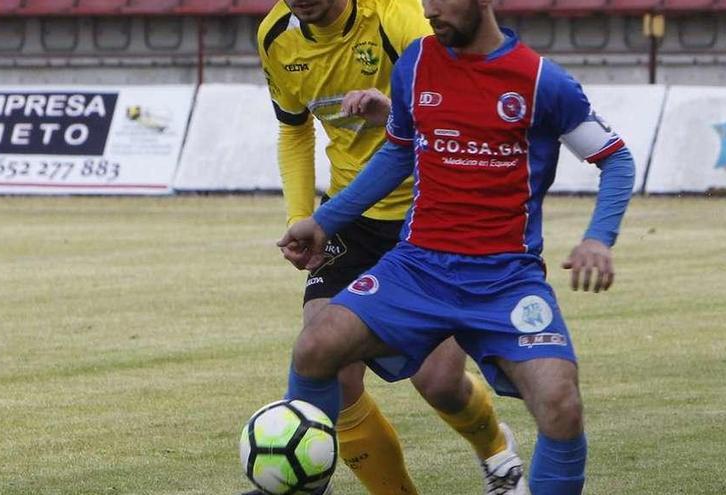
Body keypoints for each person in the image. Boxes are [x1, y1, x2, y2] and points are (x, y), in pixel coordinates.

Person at [276, 0, 637, 492]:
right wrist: (322, 220)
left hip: (506, 279)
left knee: (561, 405)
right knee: (316, 346)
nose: (430, 11)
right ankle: (302, 483)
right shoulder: (416, 65)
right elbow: (398, 153)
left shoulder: (542, 83)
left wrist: (599, 238)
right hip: (418, 268)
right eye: (427, 0)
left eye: (443, 0)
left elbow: (616, 160)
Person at [252, 0, 524, 494]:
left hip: (431, 213)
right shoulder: (276, 36)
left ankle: (495, 451)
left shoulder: (400, 17)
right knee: (325, 358)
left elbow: (463, 106)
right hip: (350, 218)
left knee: (439, 382)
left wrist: (393, 115)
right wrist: (301, 218)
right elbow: (294, 132)